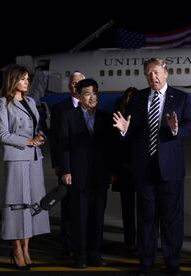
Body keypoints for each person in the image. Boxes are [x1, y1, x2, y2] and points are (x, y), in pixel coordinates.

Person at [112, 58, 191, 276]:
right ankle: (146, 261)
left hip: (170, 169)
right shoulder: (138, 98)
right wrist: (123, 131)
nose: (153, 77)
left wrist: (177, 131)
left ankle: (172, 261)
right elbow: (131, 132)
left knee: (171, 219)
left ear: (166, 73)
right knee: (147, 218)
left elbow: (190, 126)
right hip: (145, 168)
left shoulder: (183, 98)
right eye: (148, 74)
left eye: (156, 73)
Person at [0, 64, 50, 270]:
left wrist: (40, 137)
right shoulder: (4, 103)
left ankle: (26, 248)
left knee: (32, 204)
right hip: (17, 159)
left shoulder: (31, 101)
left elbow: (36, 127)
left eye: (28, 78)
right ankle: (16, 249)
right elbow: (3, 135)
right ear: (13, 81)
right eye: (24, 78)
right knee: (17, 204)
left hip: (35, 158)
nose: (28, 81)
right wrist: (29, 141)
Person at [59, 78, 113, 268]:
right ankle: (80, 255)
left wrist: (112, 171)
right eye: (88, 93)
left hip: (100, 176)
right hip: (77, 174)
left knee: (97, 216)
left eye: (95, 93)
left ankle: (95, 254)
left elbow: (111, 148)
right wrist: (66, 170)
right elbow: (63, 146)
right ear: (79, 96)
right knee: (79, 217)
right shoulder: (69, 116)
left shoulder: (106, 117)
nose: (92, 97)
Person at [49, 71, 85, 257]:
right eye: (72, 82)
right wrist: (58, 164)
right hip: (67, 166)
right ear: (69, 86)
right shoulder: (59, 108)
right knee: (68, 206)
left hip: (88, 167)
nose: (75, 85)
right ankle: (68, 244)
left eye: (79, 82)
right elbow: (55, 140)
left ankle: (87, 242)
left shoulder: (92, 105)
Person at [111, 87, 138, 254]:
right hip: (125, 169)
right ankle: (129, 241)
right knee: (127, 209)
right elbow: (113, 148)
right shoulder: (117, 117)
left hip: (141, 169)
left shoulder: (144, 117)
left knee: (144, 209)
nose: (131, 100)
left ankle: (143, 241)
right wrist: (113, 171)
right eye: (129, 97)